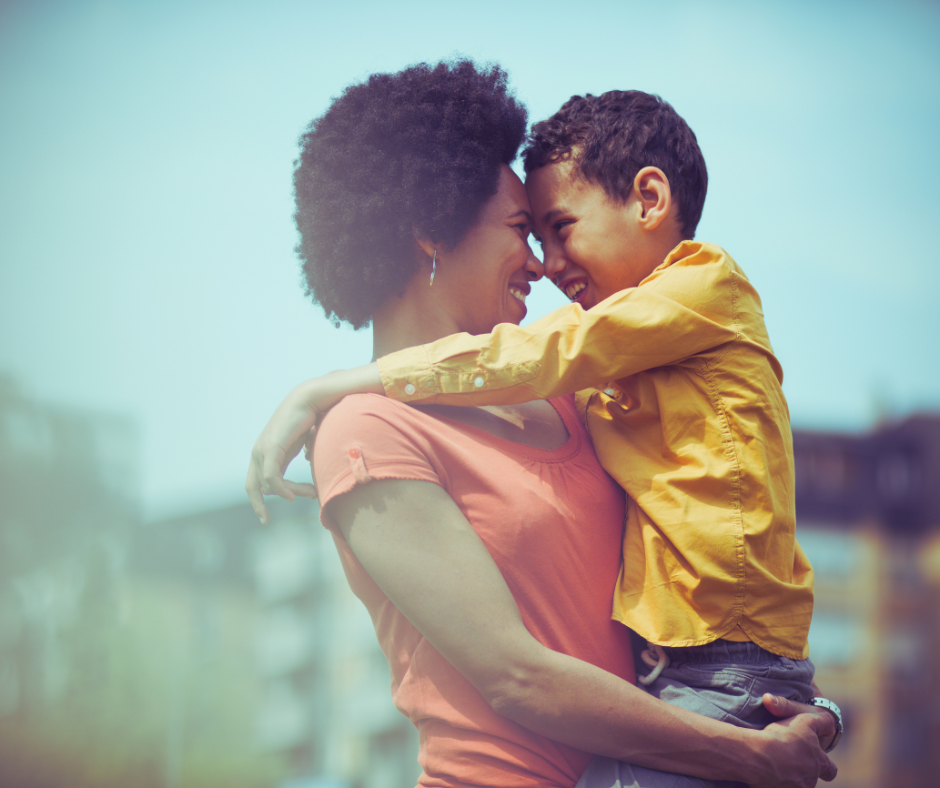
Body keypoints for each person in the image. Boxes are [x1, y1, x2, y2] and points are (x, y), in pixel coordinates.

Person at [256, 59, 837, 788]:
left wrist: (797, 712)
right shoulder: (366, 431)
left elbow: (722, 540)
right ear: (430, 232)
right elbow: (517, 677)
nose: (543, 263)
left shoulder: (576, 397)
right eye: (522, 230)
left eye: (554, 230)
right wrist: (749, 755)